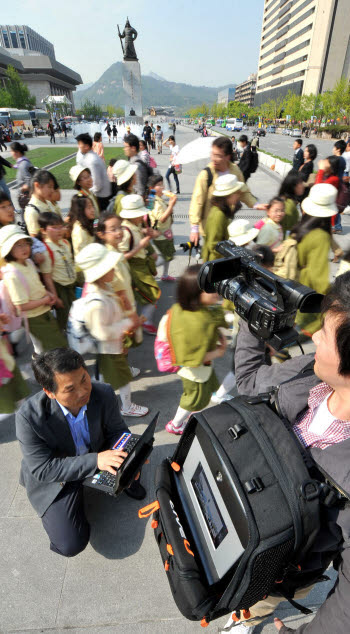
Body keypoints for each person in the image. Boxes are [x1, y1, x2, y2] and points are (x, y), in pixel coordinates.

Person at [226, 270, 350, 634]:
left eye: (324, 333)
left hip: (283, 564)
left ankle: (245, 617)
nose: (313, 336)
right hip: (246, 512)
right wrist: (256, 319)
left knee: (258, 597)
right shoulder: (308, 376)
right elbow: (249, 381)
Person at [16, 348, 147, 558]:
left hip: (97, 453)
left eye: (84, 379)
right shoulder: (28, 417)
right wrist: (96, 460)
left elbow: (117, 431)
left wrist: (127, 456)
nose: (83, 391)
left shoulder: (103, 392)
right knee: (70, 544)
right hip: (58, 474)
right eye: (70, 389)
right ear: (49, 392)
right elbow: (43, 469)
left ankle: (122, 477)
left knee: (131, 459)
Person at [76, 243, 148, 417]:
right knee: (121, 375)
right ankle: (127, 406)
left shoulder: (102, 287)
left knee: (103, 373)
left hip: (109, 344)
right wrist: (128, 326)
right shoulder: (96, 297)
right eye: (110, 267)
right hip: (110, 344)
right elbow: (101, 331)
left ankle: (91, 397)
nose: (115, 270)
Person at [164, 264, 227, 435]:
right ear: (195, 293)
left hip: (200, 368)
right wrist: (218, 352)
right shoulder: (195, 323)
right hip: (194, 371)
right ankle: (175, 424)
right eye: (211, 289)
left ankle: (187, 416)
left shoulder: (189, 309)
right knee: (192, 399)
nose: (216, 292)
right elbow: (190, 357)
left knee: (197, 396)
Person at [0, 224, 67, 353]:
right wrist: (45, 300)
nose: (24, 248)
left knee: (50, 347)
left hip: (43, 310)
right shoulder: (12, 273)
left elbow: (35, 285)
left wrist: (48, 294)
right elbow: (21, 306)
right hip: (33, 317)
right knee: (57, 347)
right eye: (18, 245)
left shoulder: (29, 263)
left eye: (25, 243)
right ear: (7, 249)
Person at [188, 136, 266, 245]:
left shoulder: (234, 170)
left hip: (228, 223)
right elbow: (197, 201)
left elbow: (243, 191)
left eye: (218, 156)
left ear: (227, 157)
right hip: (210, 225)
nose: (213, 158)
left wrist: (255, 204)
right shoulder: (206, 174)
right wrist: (194, 228)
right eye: (212, 154)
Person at [295, 183, 338, 336]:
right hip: (309, 293)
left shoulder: (301, 227)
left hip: (296, 284)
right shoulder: (321, 236)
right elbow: (318, 276)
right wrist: (332, 298)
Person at [95, 212, 143, 350]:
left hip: (121, 309)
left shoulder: (115, 252)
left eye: (120, 227)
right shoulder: (110, 258)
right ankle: (122, 370)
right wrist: (132, 314)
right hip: (120, 311)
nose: (119, 232)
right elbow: (119, 291)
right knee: (122, 343)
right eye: (113, 229)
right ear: (101, 234)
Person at [118, 194, 160, 336]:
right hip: (134, 268)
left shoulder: (134, 226)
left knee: (143, 296)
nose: (142, 217)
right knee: (152, 294)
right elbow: (122, 257)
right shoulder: (125, 231)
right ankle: (144, 322)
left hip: (141, 265)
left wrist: (144, 233)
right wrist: (140, 246)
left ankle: (139, 320)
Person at [37, 212, 76, 330]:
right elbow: (47, 277)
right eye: (54, 227)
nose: (59, 230)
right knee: (66, 320)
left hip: (71, 286)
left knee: (75, 316)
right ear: (43, 230)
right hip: (60, 288)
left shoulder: (65, 243)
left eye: (61, 226)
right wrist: (56, 297)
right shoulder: (46, 249)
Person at [201, 174, 244, 262]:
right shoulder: (218, 215)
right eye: (236, 193)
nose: (239, 195)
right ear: (228, 195)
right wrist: (231, 256)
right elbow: (214, 245)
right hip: (216, 263)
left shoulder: (222, 210)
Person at [147, 174, 177, 281]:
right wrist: (171, 205)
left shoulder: (155, 198)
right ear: (152, 188)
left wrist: (170, 207)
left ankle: (164, 275)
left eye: (162, 184)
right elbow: (162, 219)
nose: (163, 187)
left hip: (165, 232)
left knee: (168, 255)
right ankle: (148, 271)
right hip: (161, 234)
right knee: (166, 257)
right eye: (159, 185)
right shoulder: (155, 202)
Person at [76, 133, 111, 211]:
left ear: (87, 146)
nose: (78, 146)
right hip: (100, 194)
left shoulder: (91, 160)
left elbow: (97, 184)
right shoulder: (89, 156)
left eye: (79, 144)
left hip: (101, 197)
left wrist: (87, 194)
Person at [24, 170, 56, 237]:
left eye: (53, 187)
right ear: (37, 185)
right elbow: (35, 238)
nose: (52, 190)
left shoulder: (49, 202)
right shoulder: (32, 211)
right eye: (49, 187)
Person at [68, 195, 95, 259]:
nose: (93, 210)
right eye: (89, 208)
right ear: (80, 210)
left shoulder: (90, 222)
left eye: (92, 207)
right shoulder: (80, 230)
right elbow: (82, 253)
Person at [278, 172, 304, 237]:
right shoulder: (289, 205)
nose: (303, 185)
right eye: (300, 183)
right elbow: (287, 229)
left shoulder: (285, 199)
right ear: (293, 186)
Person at [123, 133, 149, 198]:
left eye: (126, 147)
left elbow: (140, 190)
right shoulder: (132, 162)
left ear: (133, 148)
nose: (124, 149)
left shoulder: (136, 166)